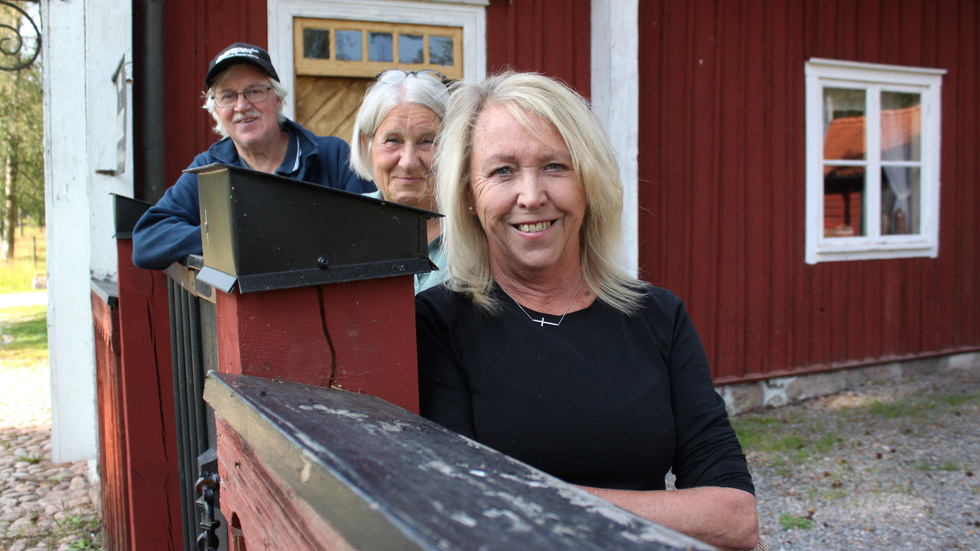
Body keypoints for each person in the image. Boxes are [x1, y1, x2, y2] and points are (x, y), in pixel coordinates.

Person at [415, 72, 760, 551]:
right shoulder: (437, 323)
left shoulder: (659, 316)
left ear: (589, 182)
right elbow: (460, 505)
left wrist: (533, 495)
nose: (532, 196)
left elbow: (734, 516)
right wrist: (659, 512)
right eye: (502, 171)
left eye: (556, 166)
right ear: (469, 196)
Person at [132, 42, 374, 270]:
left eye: (254, 91)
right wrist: (234, 237)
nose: (241, 106)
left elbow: (371, 234)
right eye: (227, 96)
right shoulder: (208, 169)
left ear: (277, 99)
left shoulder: (334, 157)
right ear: (216, 110)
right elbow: (147, 240)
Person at [350, 69, 449, 293]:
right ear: (368, 144)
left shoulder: (479, 232)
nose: (408, 161)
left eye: (427, 142)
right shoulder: (341, 226)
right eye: (393, 140)